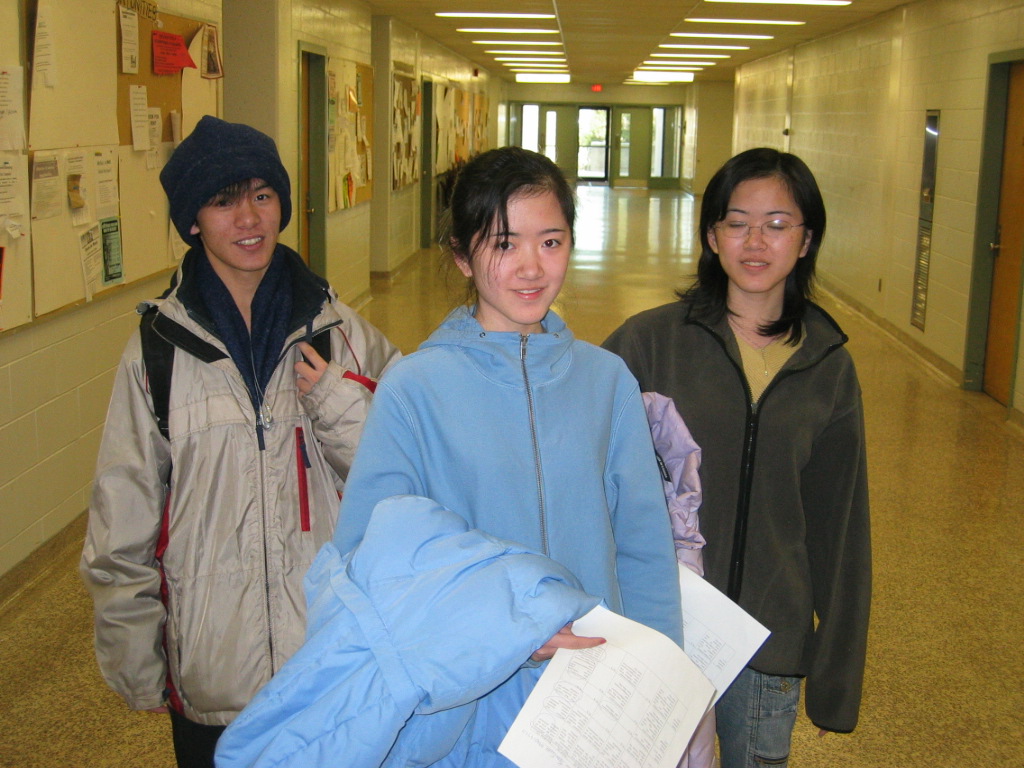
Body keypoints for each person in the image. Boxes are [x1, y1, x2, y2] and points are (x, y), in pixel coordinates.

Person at [332, 145, 684, 765]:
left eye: (551, 242)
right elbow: (371, 558)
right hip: (467, 705)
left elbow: (644, 548)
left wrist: (662, 679)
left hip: (590, 698)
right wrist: (508, 629)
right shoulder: (414, 390)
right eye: (504, 244)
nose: (531, 268)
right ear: (461, 256)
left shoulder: (607, 382)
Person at [79, 115, 400, 768]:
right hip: (213, 669)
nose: (249, 218)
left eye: (262, 194)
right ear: (193, 221)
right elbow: (124, 511)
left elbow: (405, 473)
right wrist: (135, 651)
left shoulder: (339, 333)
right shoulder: (158, 352)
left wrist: (337, 403)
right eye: (224, 201)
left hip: (327, 660)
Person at [603, 147, 871, 768]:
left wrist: (835, 680)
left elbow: (840, 528)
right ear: (711, 236)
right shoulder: (649, 342)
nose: (755, 242)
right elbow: (578, 465)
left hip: (768, 643)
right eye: (737, 222)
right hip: (659, 623)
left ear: (806, 240)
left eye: (777, 224)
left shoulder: (828, 365)